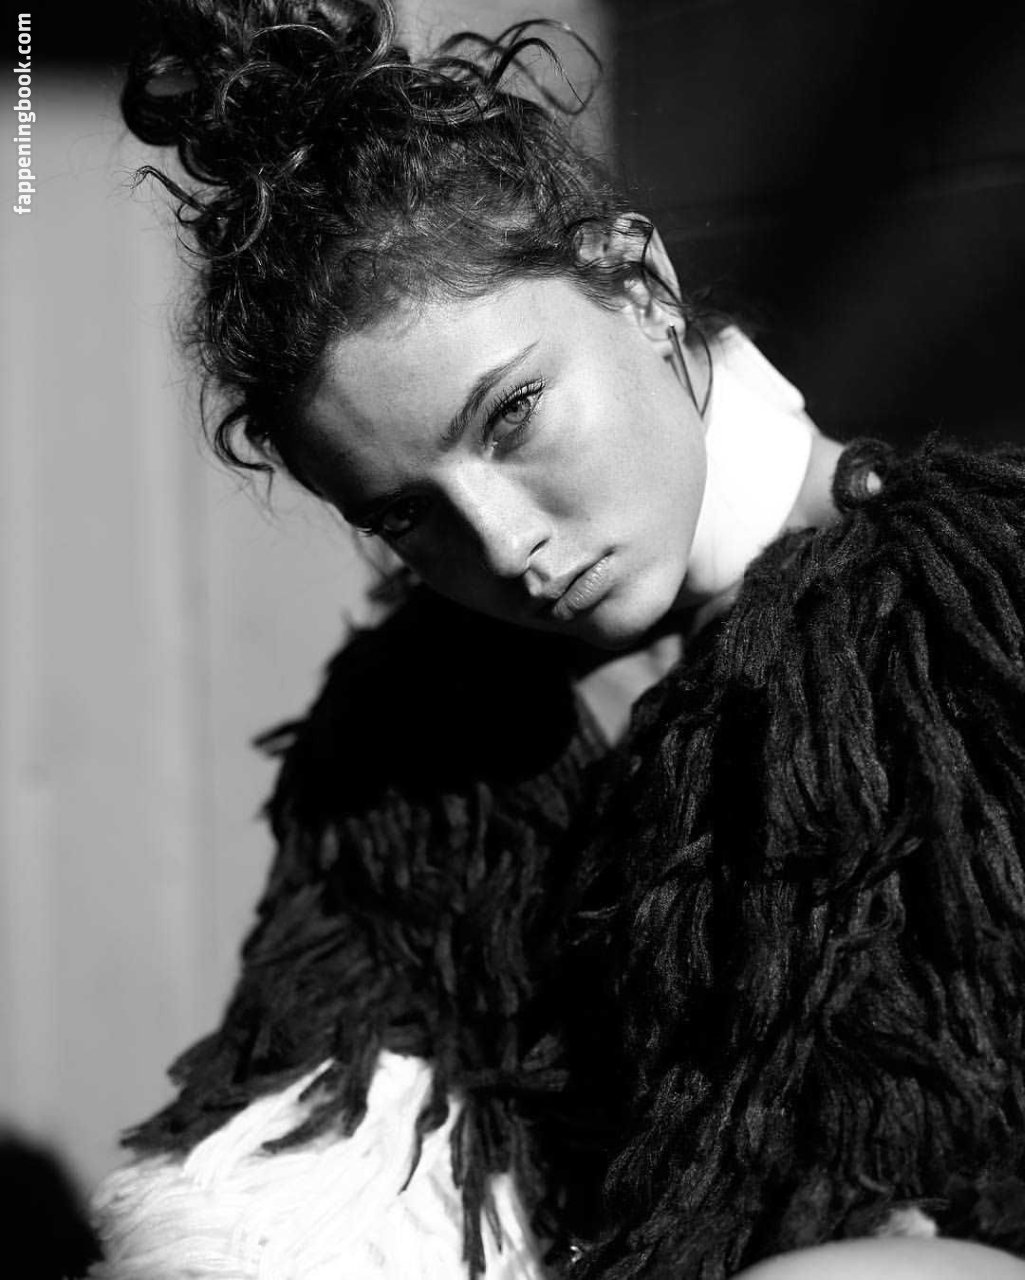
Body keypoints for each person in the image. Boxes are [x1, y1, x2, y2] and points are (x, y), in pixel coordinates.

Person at [86, 2, 1025, 1278]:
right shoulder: (414, 744)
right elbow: (299, 1169)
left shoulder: (973, 618)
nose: (506, 544)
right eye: (404, 513)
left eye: (512, 414)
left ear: (639, 285)